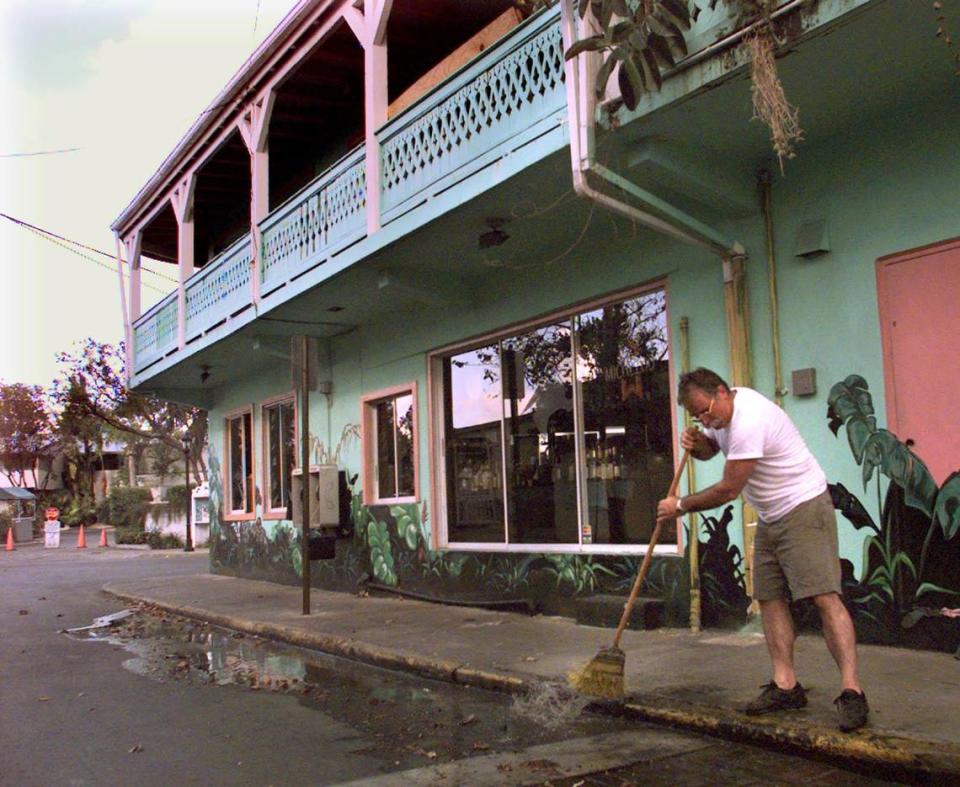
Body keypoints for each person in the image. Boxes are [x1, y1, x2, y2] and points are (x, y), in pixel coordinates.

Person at [656, 367, 868, 732]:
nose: (706, 419)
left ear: (723, 392)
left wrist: (680, 505)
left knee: (824, 597)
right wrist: (699, 442)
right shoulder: (719, 416)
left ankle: (852, 691)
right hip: (771, 516)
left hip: (803, 507)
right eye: (697, 416)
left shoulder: (750, 418)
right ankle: (786, 686)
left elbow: (728, 489)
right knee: (769, 598)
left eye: (707, 412)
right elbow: (712, 450)